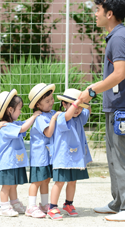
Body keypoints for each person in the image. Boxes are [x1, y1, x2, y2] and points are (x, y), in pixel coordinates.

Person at [79, 0, 125, 222]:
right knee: (114, 157)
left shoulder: (118, 38)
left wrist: (92, 91)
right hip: (116, 108)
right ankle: (118, 203)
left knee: (123, 158)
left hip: (122, 108)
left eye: (98, 9)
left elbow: (119, 74)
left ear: (110, 13)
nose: (95, 13)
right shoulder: (116, 36)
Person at [47, 89, 92, 221]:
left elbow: (88, 109)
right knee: (59, 182)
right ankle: (52, 207)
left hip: (76, 159)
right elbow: (68, 116)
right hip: (63, 158)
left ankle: (68, 204)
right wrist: (76, 103)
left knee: (72, 181)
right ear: (64, 104)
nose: (77, 109)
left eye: (79, 107)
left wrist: (85, 99)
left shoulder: (79, 117)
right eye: (74, 106)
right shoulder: (61, 116)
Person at [0, 89, 39, 217]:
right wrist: (34, 115)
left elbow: (23, 124)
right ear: (9, 110)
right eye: (19, 109)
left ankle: (14, 203)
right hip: (7, 162)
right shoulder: (5, 126)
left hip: (14, 162)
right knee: (7, 186)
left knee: (13, 184)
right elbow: (24, 128)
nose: (20, 112)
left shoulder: (13, 123)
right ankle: (4, 207)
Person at [26, 83, 57, 218]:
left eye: (51, 99)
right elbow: (49, 133)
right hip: (40, 156)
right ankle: (31, 206)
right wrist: (55, 119)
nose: (51, 102)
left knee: (46, 179)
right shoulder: (40, 118)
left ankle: (44, 204)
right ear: (38, 105)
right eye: (47, 101)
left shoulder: (51, 114)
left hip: (48, 154)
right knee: (37, 181)